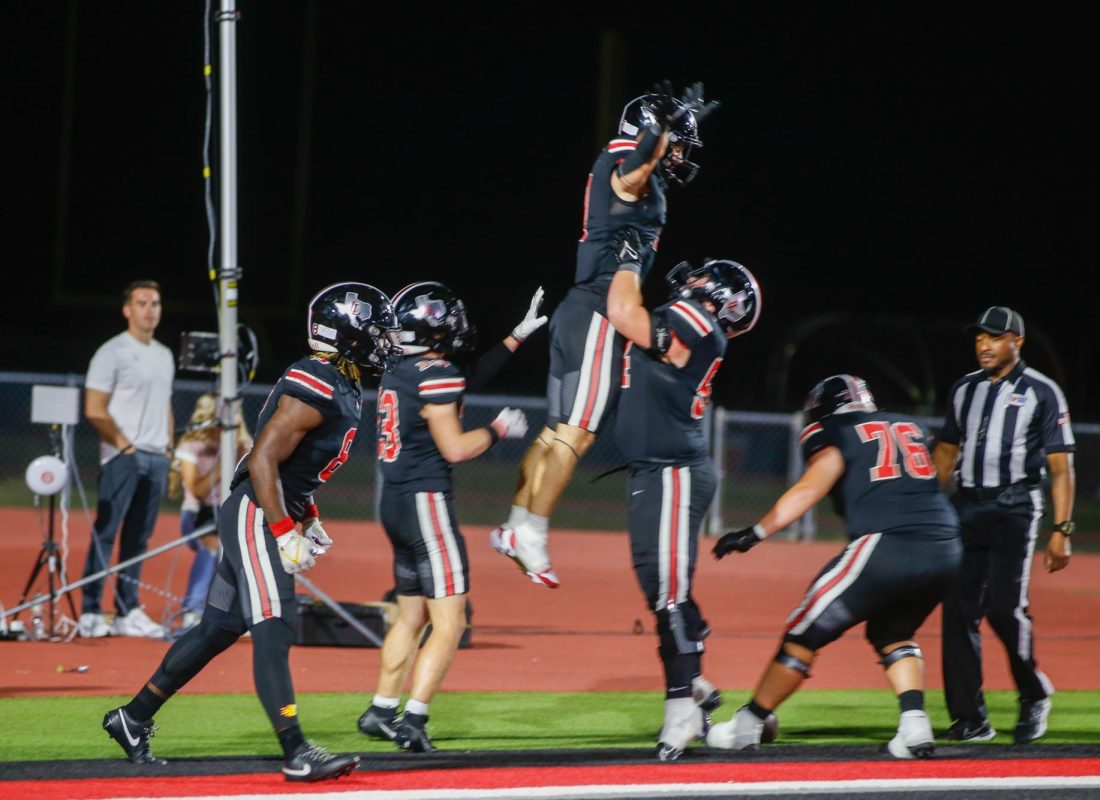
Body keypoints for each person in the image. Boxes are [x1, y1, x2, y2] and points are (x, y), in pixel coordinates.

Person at [102, 282, 400, 782]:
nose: (382, 341)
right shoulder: (320, 380)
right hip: (254, 514)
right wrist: (283, 529)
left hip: (263, 509)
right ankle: (296, 749)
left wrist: (307, 516)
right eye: (374, 331)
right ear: (346, 334)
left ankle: (131, 718)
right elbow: (263, 456)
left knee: (217, 630)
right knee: (275, 622)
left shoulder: (341, 383)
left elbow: (295, 468)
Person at [490, 81, 720, 588]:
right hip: (597, 313)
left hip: (578, 311)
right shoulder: (628, 170)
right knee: (575, 435)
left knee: (555, 430)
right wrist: (660, 132)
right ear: (650, 136)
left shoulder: (632, 178)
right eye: (678, 146)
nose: (681, 157)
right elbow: (633, 171)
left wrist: (669, 130)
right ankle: (531, 532)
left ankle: (514, 525)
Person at [705, 375, 962, 760]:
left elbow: (812, 485)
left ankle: (749, 724)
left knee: (802, 631)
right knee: (893, 632)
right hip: (946, 545)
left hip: (888, 544)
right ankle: (914, 724)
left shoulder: (837, 428)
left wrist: (754, 533)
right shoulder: (911, 424)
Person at [356, 282, 540, 752]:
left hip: (394, 503)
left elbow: (466, 377)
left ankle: (380, 710)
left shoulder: (400, 368)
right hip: (426, 504)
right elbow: (455, 447)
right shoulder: (436, 373)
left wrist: (516, 336)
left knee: (411, 614)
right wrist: (498, 430)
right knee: (451, 621)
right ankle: (413, 721)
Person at [605, 238, 761, 761]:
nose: (693, 278)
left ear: (721, 295)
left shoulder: (695, 318)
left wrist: (627, 259)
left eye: (705, 277)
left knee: (669, 594)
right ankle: (695, 683)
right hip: (657, 470)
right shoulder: (695, 319)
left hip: (674, 472)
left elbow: (623, 312)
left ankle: (680, 712)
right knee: (660, 591)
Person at [934, 306, 1076, 745]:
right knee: (958, 611)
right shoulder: (964, 389)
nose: (984, 345)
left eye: (994, 337)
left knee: (1003, 608)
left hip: (1015, 506)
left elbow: (1061, 466)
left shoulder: (1042, 390)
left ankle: (1034, 694)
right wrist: (931, 510)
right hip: (967, 506)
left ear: (1017, 341)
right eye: (979, 337)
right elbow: (945, 453)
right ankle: (970, 718)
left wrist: (1062, 529)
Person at [79, 280, 175, 639]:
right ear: (127, 310)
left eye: (156, 302)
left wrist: (168, 446)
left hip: (156, 456)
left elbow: (163, 403)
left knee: (139, 539)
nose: (150, 309)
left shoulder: (164, 354)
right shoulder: (112, 352)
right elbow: (94, 408)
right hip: (124, 456)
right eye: (142, 303)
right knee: (107, 532)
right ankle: (91, 610)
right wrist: (123, 445)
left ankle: (126, 609)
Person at [168, 391, 253, 631]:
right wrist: (222, 462)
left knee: (243, 552)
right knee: (214, 545)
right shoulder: (193, 445)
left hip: (232, 513)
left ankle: (234, 611)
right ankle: (192, 610)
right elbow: (196, 490)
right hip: (198, 514)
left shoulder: (245, 447)